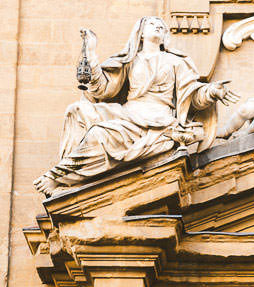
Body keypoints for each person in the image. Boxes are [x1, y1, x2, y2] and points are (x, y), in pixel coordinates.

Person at [35, 17, 237, 196]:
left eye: (161, 26)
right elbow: (103, 89)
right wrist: (90, 52)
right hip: (128, 114)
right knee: (77, 111)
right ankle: (66, 178)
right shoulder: (130, 61)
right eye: (152, 24)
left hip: (159, 119)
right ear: (140, 34)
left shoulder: (175, 61)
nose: (158, 26)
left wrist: (212, 92)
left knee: (98, 135)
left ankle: (59, 177)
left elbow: (191, 96)